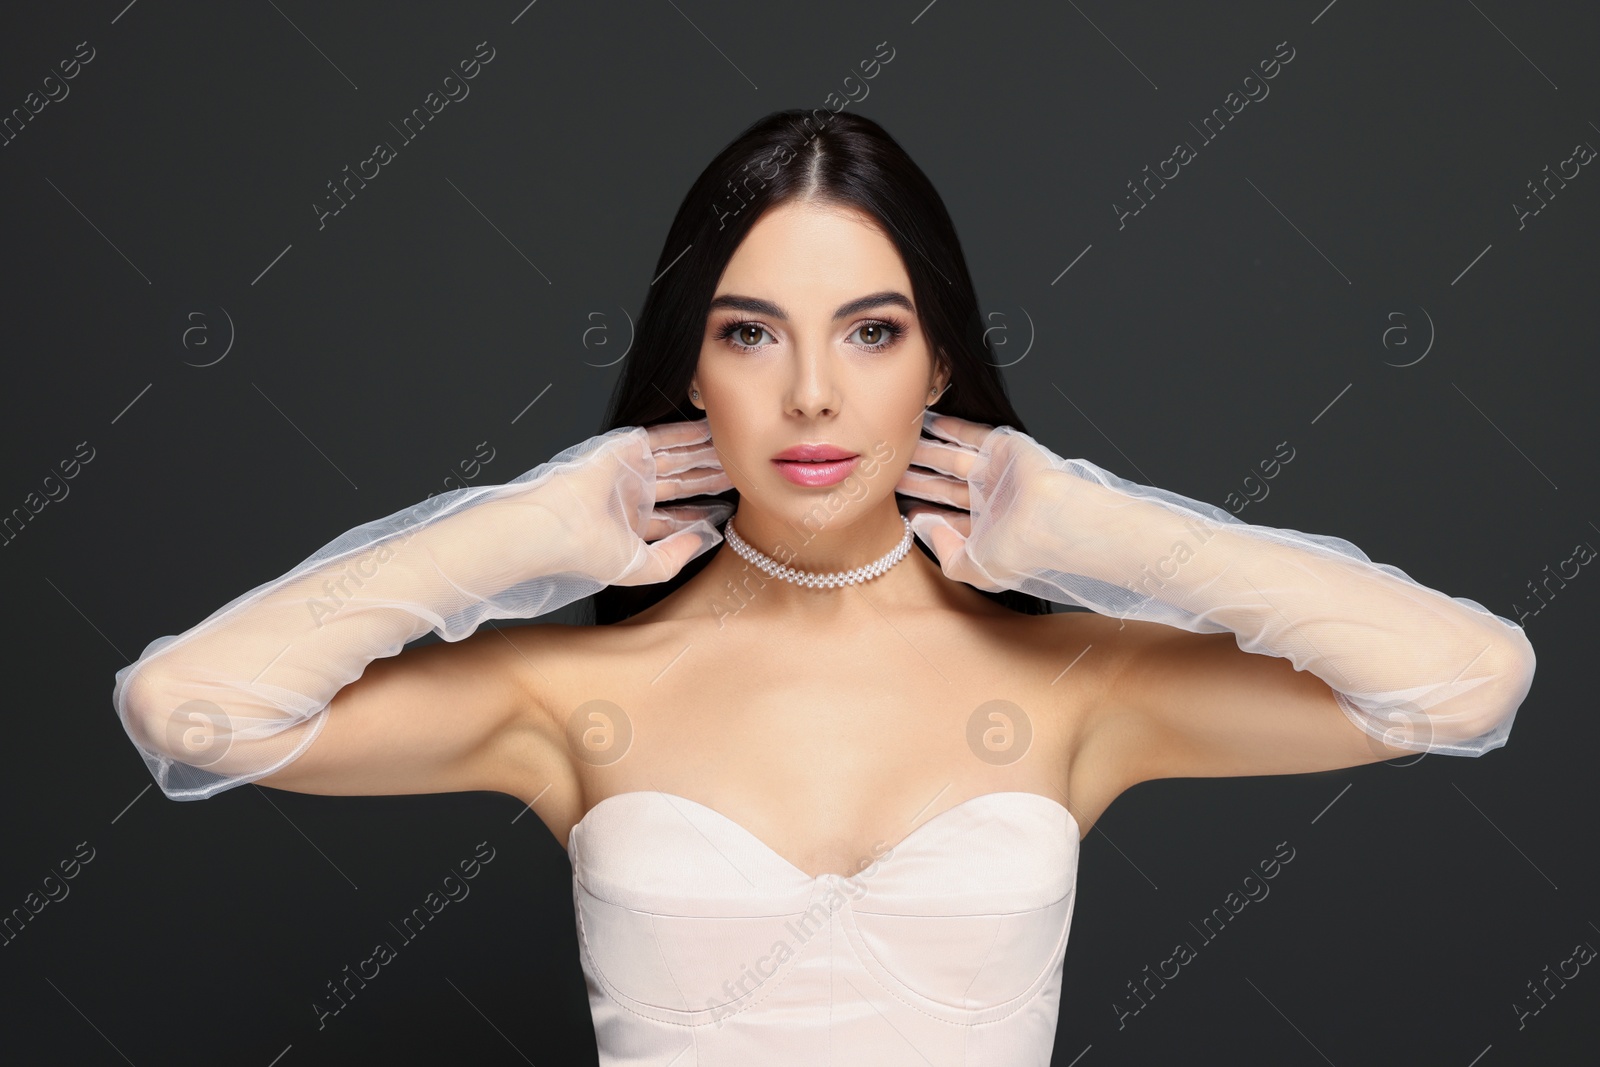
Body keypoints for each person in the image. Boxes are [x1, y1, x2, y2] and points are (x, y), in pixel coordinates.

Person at [111, 109, 1536, 1065]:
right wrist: (522, 534)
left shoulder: (1074, 687)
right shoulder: (573, 699)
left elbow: (1469, 678)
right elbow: (190, 711)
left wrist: (1109, 535)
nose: (809, 394)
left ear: (941, 365)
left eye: (869, 331)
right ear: (689, 366)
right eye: (750, 333)